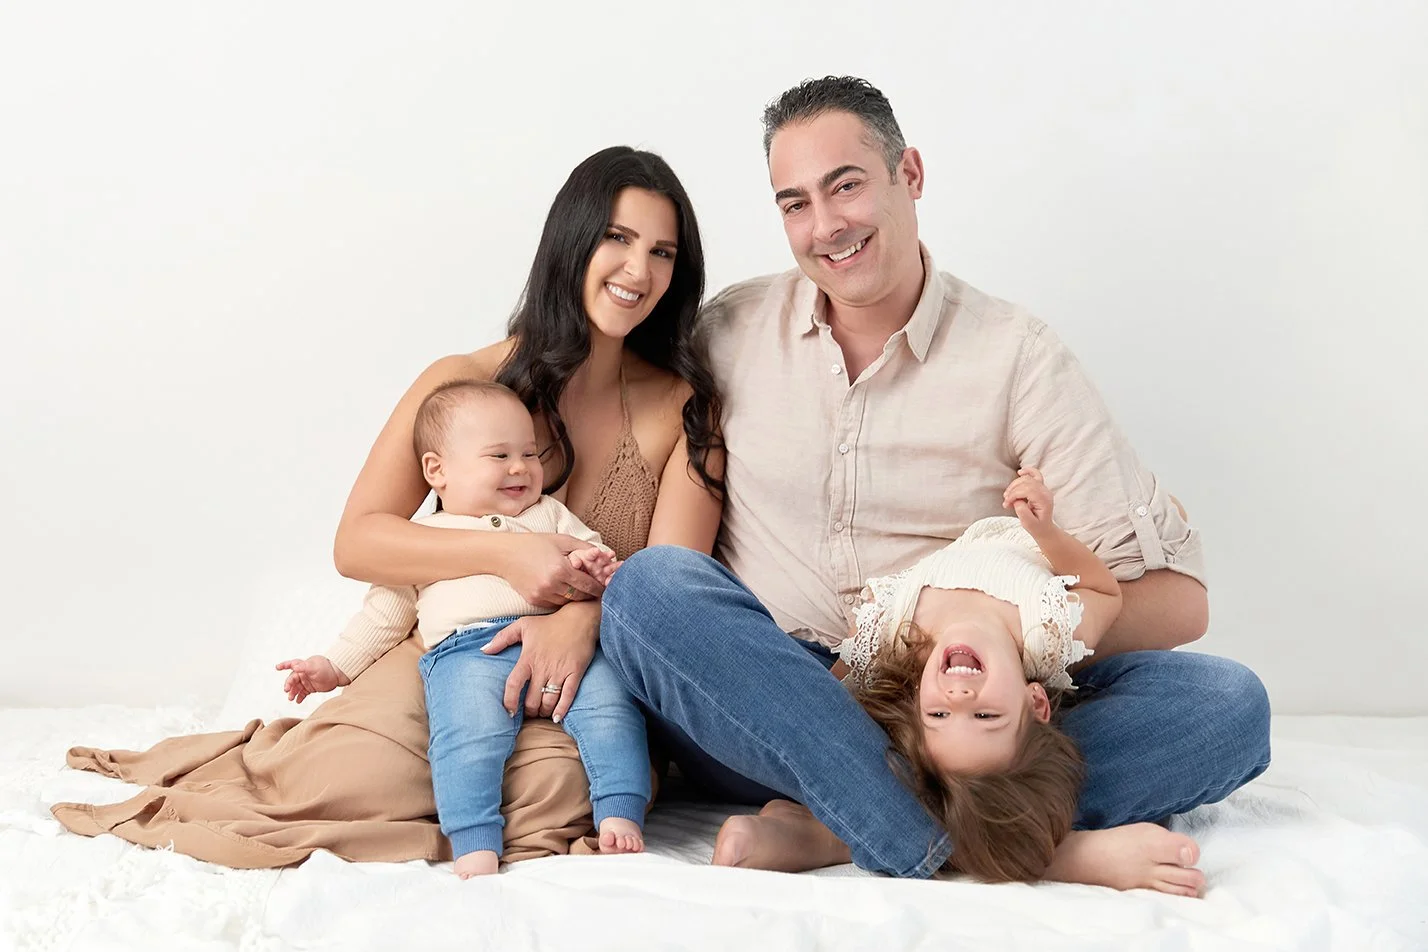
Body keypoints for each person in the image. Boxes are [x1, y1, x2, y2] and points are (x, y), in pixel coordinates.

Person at [597, 77, 1270, 896]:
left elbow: (1178, 602)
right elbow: (597, 412)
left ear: (908, 174)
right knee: (650, 592)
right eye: (795, 204)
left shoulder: (1015, 355)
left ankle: (844, 826)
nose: (826, 226)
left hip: (961, 710)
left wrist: (991, 640)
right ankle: (1010, 845)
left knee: (1224, 704)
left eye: (846, 186)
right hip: (779, 700)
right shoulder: (729, 332)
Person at [52, 145, 726, 869]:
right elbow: (360, 542)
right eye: (617, 239)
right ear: (572, 239)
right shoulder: (461, 382)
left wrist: (580, 619)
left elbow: (673, 588)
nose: (639, 270)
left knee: (562, 794)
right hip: (447, 652)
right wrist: (507, 552)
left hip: (580, 667)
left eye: (663, 251)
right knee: (336, 778)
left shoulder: (684, 409)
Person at [276, 380, 645, 877]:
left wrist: (598, 568)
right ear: (438, 470)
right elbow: (384, 615)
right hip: (469, 653)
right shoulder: (425, 539)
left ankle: (620, 808)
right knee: (468, 735)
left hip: (563, 644)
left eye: (529, 454)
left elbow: (595, 559)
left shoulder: (549, 515)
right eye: (499, 456)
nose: (520, 468)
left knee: (612, 707)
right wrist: (332, 666)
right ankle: (473, 838)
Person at [833, 467, 1113, 884]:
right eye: (986, 716)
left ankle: (842, 833)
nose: (959, 695)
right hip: (1029, 526)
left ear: (915, 702)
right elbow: (1105, 590)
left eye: (938, 716)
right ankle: (996, 841)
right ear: (1035, 702)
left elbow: (828, 697)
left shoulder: (891, 634)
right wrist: (1046, 531)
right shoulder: (1049, 632)